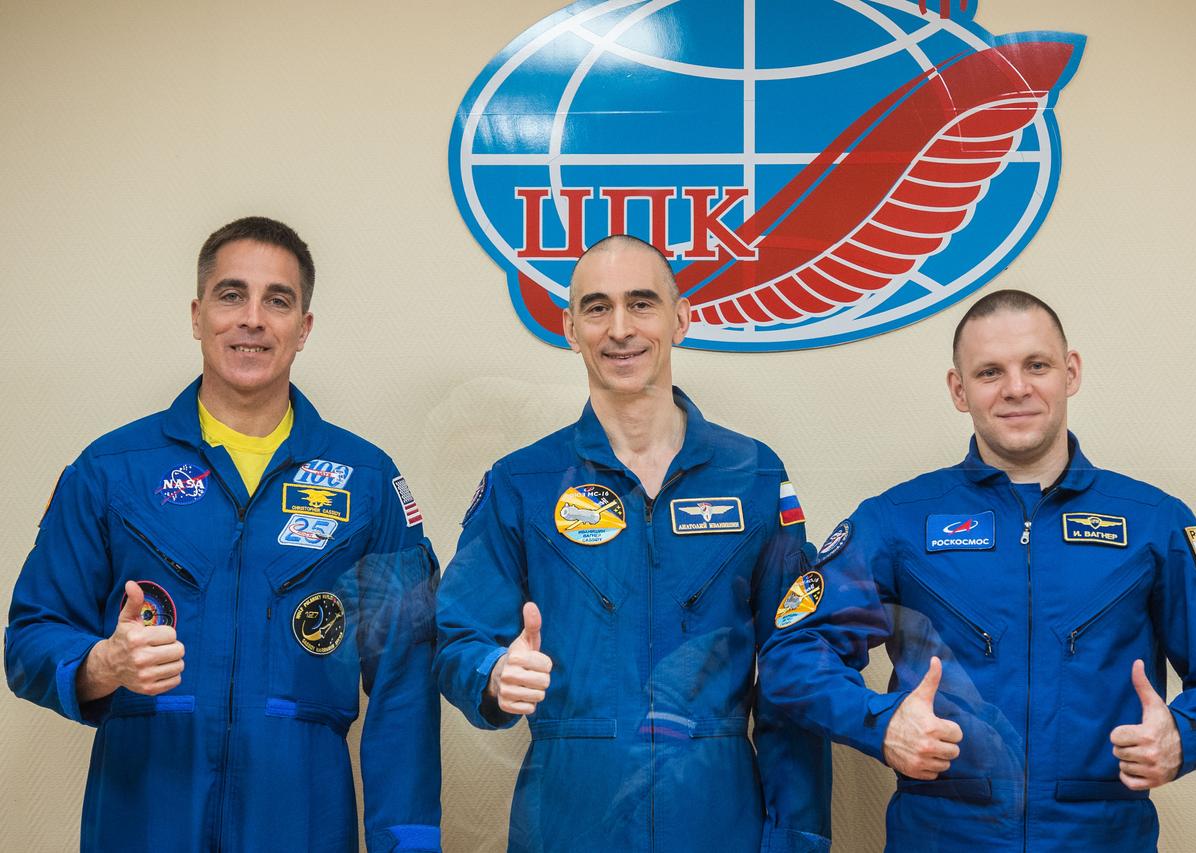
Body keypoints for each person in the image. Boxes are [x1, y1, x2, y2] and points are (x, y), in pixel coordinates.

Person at [759, 289, 1196, 852]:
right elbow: (792, 653)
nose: (1016, 388)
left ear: (1070, 372)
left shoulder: (1154, 520)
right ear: (959, 389)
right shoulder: (897, 520)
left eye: (1037, 365)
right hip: (943, 836)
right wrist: (880, 723)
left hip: (1101, 837)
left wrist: (1183, 735)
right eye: (990, 372)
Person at [5, 217, 442, 853]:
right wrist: (100, 665)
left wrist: (409, 845)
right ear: (197, 315)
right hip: (143, 820)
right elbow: (29, 638)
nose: (252, 319)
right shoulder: (111, 470)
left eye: (278, 301)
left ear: (304, 328)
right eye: (232, 295)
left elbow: (405, 686)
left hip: (301, 824)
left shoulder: (368, 484)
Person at [434, 235, 831, 852]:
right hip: (568, 820)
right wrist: (493, 674)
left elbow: (796, 665)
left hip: (717, 817)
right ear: (570, 328)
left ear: (680, 319)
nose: (620, 329)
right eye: (597, 308)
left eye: (641, 303)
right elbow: (457, 637)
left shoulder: (753, 475)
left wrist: (798, 839)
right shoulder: (522, 483)